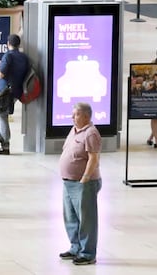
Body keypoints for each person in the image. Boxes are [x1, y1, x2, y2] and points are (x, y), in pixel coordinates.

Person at [58, 102, 102, 266]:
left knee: (87, 219)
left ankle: (88, 253)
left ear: (86, 116)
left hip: (84, 183)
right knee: (71, 217)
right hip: (69, 182)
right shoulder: (75, 130)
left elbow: (93, 158)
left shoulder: (91, 133)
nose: (72, 117)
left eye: (76, 114)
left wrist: (85, 178)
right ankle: (75, 247)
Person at [0, 35, 29, 155]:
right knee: (1, 114)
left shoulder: (8, 55)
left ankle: (5, 144)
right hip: (17, 91)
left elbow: (1, 74)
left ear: (8, 43)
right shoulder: (23, 57)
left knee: (2, 116)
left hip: (5, 91)